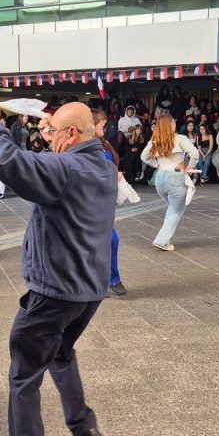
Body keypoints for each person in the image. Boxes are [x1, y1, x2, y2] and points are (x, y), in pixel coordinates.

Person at [0, 97, 116, 436]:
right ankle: (82, 423)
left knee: (24, 374)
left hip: (55, 291)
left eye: (54, 132)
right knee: (60, 353)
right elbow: (56, 160)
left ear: (70, 134)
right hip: (89, 289)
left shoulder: (66, 169)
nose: (48, 137)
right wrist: (52, 131)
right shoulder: (102, 164)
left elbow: (7, 161)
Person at [141, 114, 199, 251]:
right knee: (176, 210)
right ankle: (162, 240)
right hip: (176, 176)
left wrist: (156, 164)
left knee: (172, 208)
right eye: (173, 121)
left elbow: (144, 156)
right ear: (170, 124)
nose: (175, 123)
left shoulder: (154, 140)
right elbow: (195, 154)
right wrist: (190, 167)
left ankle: (164, 238)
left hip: (160, 176)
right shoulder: (181, 138)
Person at [92, 109, 127, 297]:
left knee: (110, 240)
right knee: (108, 240)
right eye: (102, 124)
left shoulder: (103, 143)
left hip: (104, 200)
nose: (104, 127)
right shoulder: (84, 147)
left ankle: (108, 280)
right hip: (89, 201)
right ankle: (106, 280)